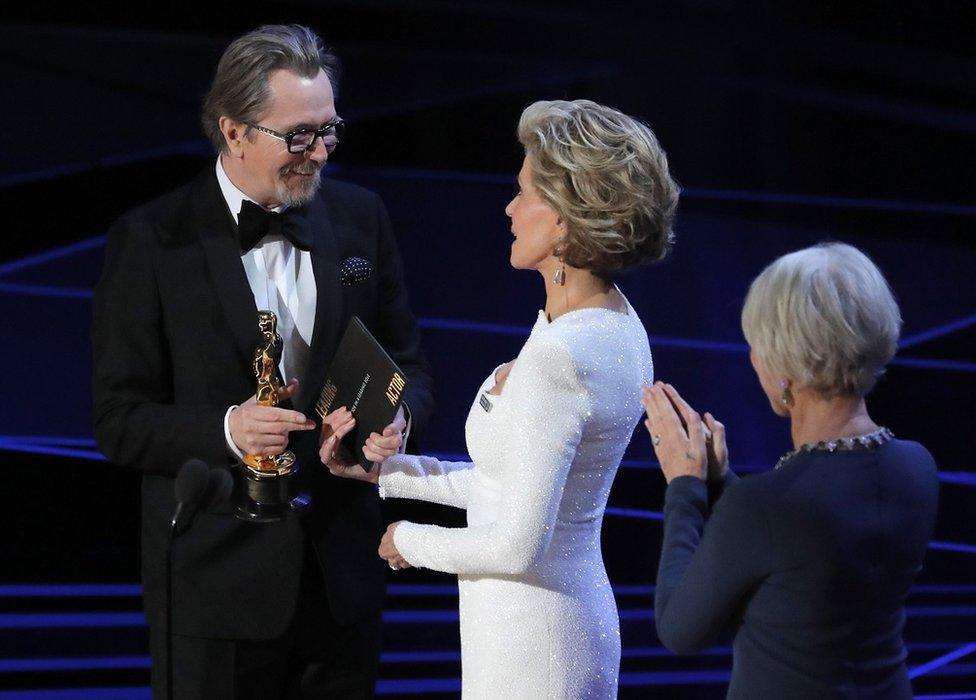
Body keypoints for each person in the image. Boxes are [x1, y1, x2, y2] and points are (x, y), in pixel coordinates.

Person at [91, 25, 433, 699]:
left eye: (328, 131)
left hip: (342, 586)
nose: (319, 154)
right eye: (298, 136)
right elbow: (118, 420)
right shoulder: (152, 241)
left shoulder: (361, 218)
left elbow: (412, 365)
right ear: (235, 131)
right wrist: (227, 429)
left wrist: (396, 423)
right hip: (213, 594)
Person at [321, 99, 680, 697]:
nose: (510, 209)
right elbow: (506, 485)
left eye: (523, 193)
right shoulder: (609, 323)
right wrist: (386, 474)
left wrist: (408, 541)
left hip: (535, 646)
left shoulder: (561, 356)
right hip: (542, 626)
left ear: (564, 217)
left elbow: (516, 543)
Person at [643, 242, 939, 699]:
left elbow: (681, 629)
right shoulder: (917, 467)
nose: (753, 358)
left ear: (785, 370)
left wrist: (684, 487)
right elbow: (800, 575)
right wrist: (723, 483)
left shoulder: (768, 507)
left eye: (756, 346)